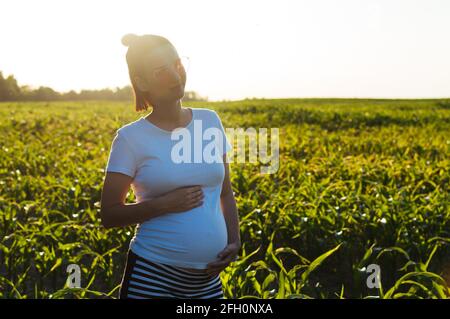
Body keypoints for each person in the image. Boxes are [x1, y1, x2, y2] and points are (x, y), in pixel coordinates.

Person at [99, 33, 241, 299]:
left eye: (177, 64)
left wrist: (234, 240)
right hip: (152, 276)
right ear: (141, 82)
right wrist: (164, 205)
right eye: (161, 71)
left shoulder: (209, 122)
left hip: (207, 283)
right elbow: (109, 214)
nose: (175, 77)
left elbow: (225, 193)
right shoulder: (130, 139)